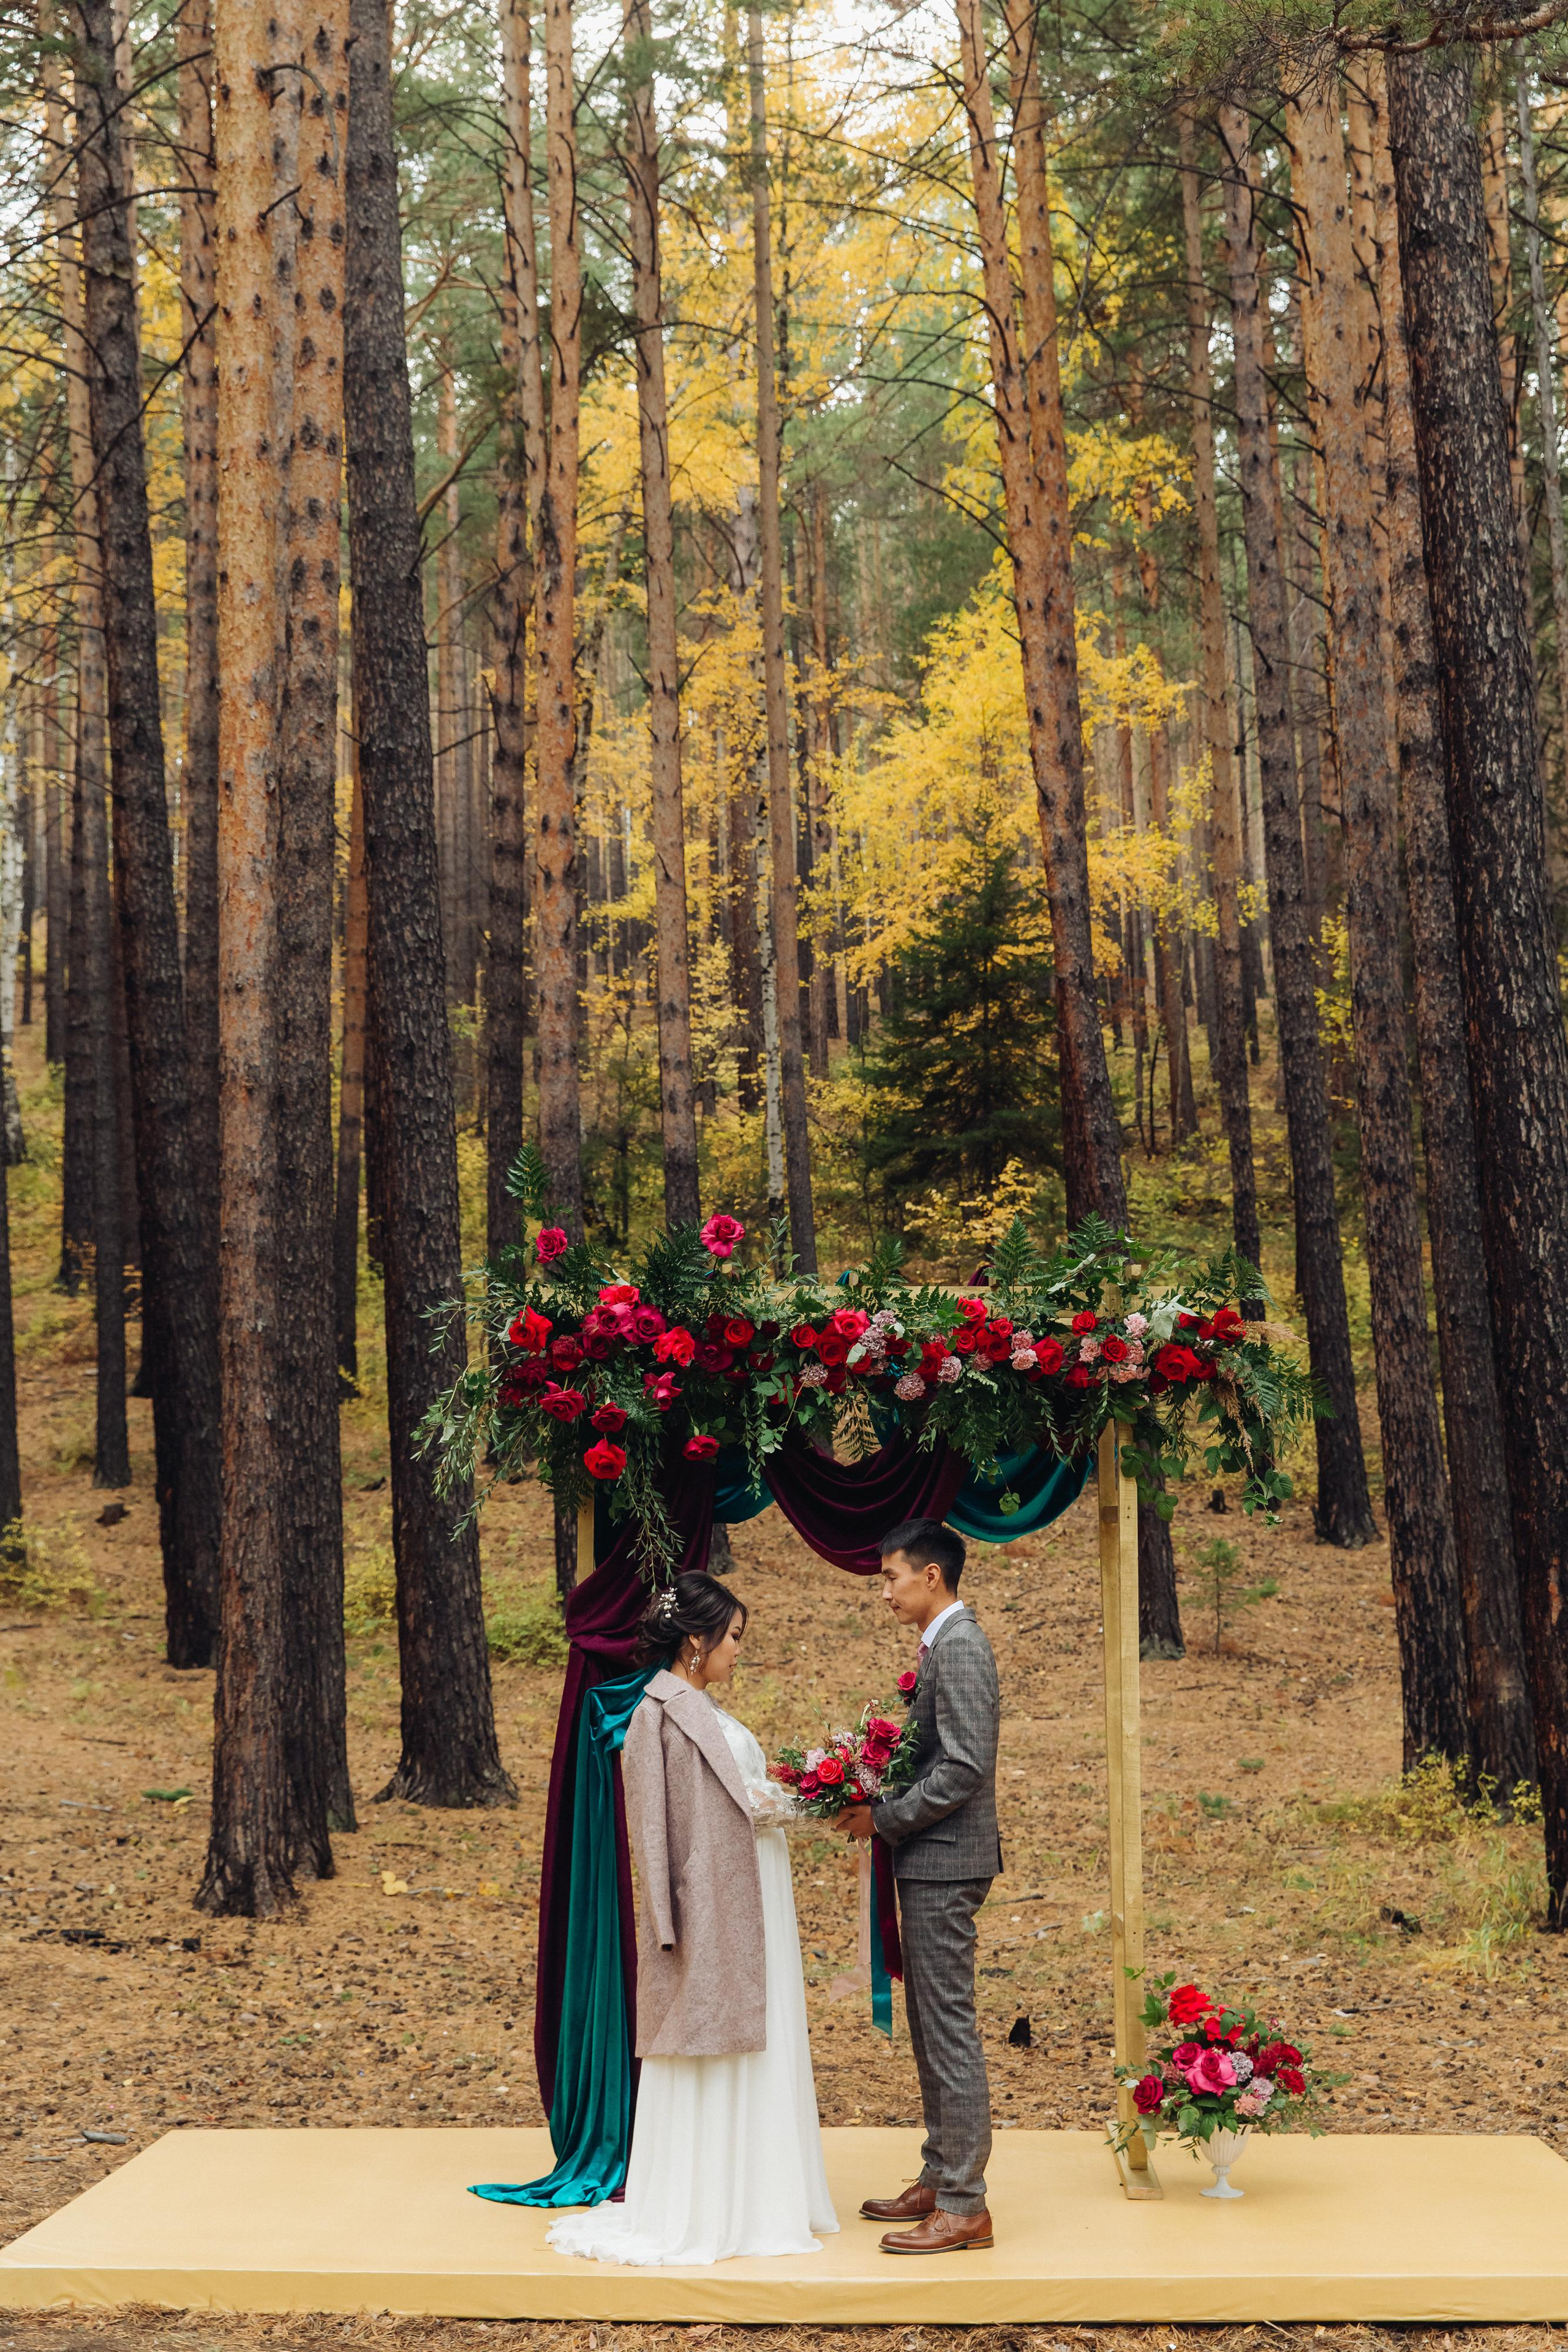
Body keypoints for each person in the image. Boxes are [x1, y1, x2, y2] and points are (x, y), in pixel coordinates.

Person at [548, 1573, 838, 2267]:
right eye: (733, 1638)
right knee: (711, 2041)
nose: (739, 1651)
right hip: (709, 1903)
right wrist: (668, 1924)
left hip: (749, 1892)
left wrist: (805, 1795)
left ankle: (757, 2196)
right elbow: (651, 1828)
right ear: (695, 1640)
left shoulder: (700, 1707)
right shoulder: (656, 1711)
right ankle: (710, 2205)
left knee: (755, 2035)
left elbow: (739, 1798)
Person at [840, 1517, 1000, 2255]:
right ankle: (941, 2175)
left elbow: (965, 1767)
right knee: (931, 2028)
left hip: (946, 1861)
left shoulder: (962, 1648)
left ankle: (965, 2204)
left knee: (948, 2030)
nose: (886, 1592)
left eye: (891, 1577)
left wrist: (886, 1818)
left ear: (930, 1575)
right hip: (929, 1860)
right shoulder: (942, 1645)